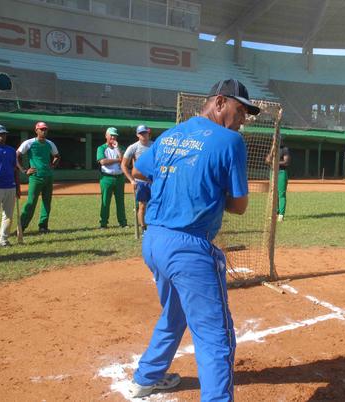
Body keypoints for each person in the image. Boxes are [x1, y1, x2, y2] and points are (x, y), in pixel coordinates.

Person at [128, 78, 256, 400]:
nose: (243, 119)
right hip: (190, 249)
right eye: (241, 110)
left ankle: (147, 377)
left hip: (155, 241)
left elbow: (141, 171)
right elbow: (239, 206)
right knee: (216, 337)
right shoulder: (230, 141)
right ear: (219, 102)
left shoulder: (172, 133)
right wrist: (207, 193)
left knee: (174, 313)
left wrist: (176, 185)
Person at [17, 122, 60, 234]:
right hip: (35, 178)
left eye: (45, 129)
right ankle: (21, 227)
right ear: (36, 130)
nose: (43, 131)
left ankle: (43, 226)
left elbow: (57, 156)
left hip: (48, 178)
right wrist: (24, 170)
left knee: (46, 203)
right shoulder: (29, 143)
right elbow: (17, 155)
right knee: (31, 202)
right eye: (41, 129)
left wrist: (52, 165)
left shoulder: (50, 143)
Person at [122, 125, 153, 232]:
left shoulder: (155, 145)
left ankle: (154, 227)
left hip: (154, 181)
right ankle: (144, 228)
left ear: (149, 133)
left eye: (145, 132)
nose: (143, 135)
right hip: (140, 182)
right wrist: (131, 180)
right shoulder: (133, 147)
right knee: (142, 206)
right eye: (141, 133)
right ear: (137, 135)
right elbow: (124, 165)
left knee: (154, 206)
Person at [97, 127, 127, 228]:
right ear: (106, 136)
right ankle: (103, 223)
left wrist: (118, 149)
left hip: (120, 178)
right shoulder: (101, 148)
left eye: (115, 135)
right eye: (111, 135)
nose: (113, 137)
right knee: (105, 201)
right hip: (106, 178)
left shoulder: (120, 148)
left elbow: (124, 160)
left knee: (120, 201)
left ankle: (123, 223)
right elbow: (103, 162)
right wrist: (117, 160)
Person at [266, 141, 290, 222]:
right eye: (273, 139)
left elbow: (286, 162)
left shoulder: (284, 149)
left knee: (281, 194)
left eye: (276, 138)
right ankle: (275, 214)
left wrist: (275, 163)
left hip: (281, 173)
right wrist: (272, 150)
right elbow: (267, 160)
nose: (275, 141)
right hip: (273, 172)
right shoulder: (273, 149)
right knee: (274, 194)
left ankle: (281, 215)